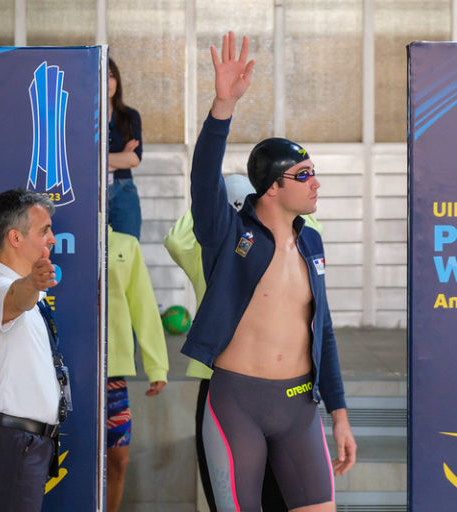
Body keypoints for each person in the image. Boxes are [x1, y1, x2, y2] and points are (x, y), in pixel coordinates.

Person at [181, 32, 356, 511]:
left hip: (299, 406)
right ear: (272, 188)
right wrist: (222, 106)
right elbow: (203, 179)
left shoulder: (310, 242)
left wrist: (339, 413)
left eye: (314, 171)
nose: (314, 181)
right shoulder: (228, 234)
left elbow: (324, 334)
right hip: (238, 403)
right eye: (303, 175)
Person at [164, 174, 323, 512]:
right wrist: (274, 200)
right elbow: (312, 224)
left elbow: (175, 240)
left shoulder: (204, 255)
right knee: (279, 493)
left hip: (219, 384)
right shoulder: (283, 247)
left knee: (229, 495)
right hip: (260, 386)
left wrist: (209, 201)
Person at [0, 188, 66, 512]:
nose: (52, 238)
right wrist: (32, 284)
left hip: (23, 447)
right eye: (44, 230)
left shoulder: (20, 292)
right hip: (12, 447)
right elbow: (14, 299)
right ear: (15, 238)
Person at [106, 227, 169, 512]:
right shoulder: (61, 240)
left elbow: (142, 304)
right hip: (69, 375)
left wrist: (156, 365)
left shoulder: (125, 244)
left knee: (119, 460)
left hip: (112, 374)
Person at [107, 57, 143, 238]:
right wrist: (121, 157)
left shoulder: (130, 116)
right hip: (93, 191)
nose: (108, 82)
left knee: (128, 250)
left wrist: (100, 161)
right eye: (102, 75)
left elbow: (134, 159)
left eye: (112, 76)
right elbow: (81, 159)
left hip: (124, 189)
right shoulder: (82, 116)